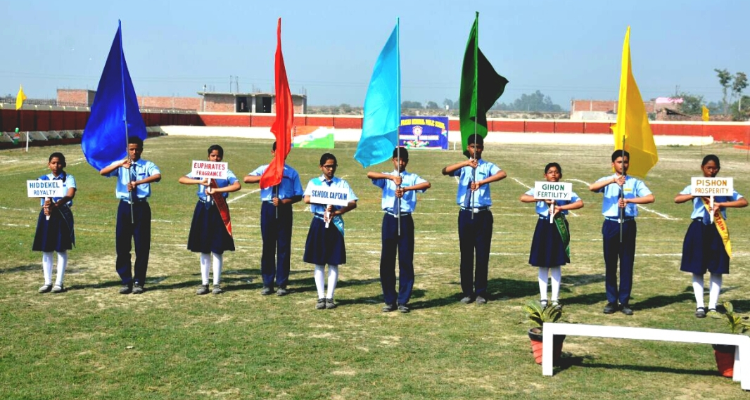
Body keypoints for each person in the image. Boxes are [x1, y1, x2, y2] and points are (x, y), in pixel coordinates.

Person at [675, 155, 747, 318]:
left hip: (717, 229)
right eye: (708, 167)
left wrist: (722, 204)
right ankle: (700, 305)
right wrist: (695, 193)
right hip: (699, 227)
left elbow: (743, 201)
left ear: (718, 169)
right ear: (702, 168)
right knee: (697, 268)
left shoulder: (724, 186)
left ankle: (713, 306)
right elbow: (677, 199)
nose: (711, 171)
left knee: (717, 268)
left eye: (715, 168)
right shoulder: (695, 185)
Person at [441, 135, 506, 305]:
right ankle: (467, 291)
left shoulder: (487, 166)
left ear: (482, 148)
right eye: (472, 146)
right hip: (465, 213)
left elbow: (502, 174)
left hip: (482, 215)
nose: (475, 150)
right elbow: (445, 170)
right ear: (468, 148)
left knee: (482, 255)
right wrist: (465, 163)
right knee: (466, 254)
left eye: (478, 147)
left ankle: (481, 292)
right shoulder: (463, 167)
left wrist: (482, 181)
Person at [589, 150, 654, 315]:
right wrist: (613, 180)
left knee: (626, 264)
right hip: (611, 225)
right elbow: (592, 187)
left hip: (628, 225)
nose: (622, 165)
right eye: (619, 162)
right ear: (613, 164)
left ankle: (624, 301)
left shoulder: (634, 182)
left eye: (625, 162)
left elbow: (650, 198)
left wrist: (630, 200)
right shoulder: (607, 180)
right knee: (610, 264)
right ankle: (611, 300)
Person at [368, 147, 431, 313]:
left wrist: (406, 189)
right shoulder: (387, 177)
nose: (400, 163)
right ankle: (389, 299)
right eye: (397, 160)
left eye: (403, 160)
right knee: (387, 261)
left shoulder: (412, 178)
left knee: (405, 260)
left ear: (407, 162)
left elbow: (426, 184)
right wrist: (391, 177)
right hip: (389, 219)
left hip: (405, 219)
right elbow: (370, 175)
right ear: (393, 161)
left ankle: (403, 300)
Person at [99, 136, 162, 295]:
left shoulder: (147, 165)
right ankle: (126, 280)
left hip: (141, 207)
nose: (134, 152)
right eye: (131, 149)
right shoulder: (122, 164)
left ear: (141, 149)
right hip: (125, 207)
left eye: (137, 149)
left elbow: (157, 176)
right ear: (127, 149)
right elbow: (103, 172)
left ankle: (139, 281)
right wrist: (120, 163)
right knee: (122, 245)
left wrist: (138, 183)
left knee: (142, 246)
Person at [179, 145, 241, 295]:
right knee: (203, 247)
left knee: (217, 248)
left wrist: (217, 190)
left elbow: (237, 185)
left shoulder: (225, 171)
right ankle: (204, 283)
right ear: (208, 156)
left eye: (218, 156)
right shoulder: (201, 170)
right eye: (213, 156)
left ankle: (217, 284)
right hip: (202, 209)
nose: (215, 158)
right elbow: (182, 179)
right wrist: (199, 182)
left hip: (219, 209)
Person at [520, 163, 583, 308]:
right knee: (542, 263)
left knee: (556, 263)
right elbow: (523, 197)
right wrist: (541, 198)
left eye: (556, 172)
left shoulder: (565, 190)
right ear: (545, 175)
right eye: (550, 172)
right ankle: (543, 298)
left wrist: (561, 207)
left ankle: (555, 299)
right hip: (543, 225)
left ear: (560, 175)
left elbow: (579, 203)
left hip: (558, 226)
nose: (553, 174)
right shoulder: (540, 189)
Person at [244, 142, 303, 296]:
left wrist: (284, 202)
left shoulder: (291, 172)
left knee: (283, 247)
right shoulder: (264, 169)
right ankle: (267, 282)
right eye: (278, 152)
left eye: (284, 152)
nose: (281, 155)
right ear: (272, 152)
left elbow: (299, 194)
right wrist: (268, 176)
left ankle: (282, 283)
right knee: (268, 246)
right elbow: (246, 178)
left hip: (284, 209)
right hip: (268, 208)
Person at [303, 153, 357, 310]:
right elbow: (307, 198)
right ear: (321, 167)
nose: (330, 169)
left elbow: (353, 202)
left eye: (333, 166)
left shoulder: (342, 184)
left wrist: (338, 211)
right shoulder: (314, 182)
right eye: (327, 166)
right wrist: (325, 200)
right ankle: (320, 297)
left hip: (335, 224)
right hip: (319, 222)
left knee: (334, 261)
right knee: (318, 261)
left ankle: (330, 297)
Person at [33, 152, 76, 293]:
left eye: (59, 163)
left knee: (61, 248)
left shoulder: (68, 178)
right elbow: (36, 191)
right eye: (53, 163)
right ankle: (47, 282)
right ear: (48, 164)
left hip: (62, 215)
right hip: (46, 215)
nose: (56, 166)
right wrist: (46, 202)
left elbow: (70, 193)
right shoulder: (43, 179)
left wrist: (57, 204)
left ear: (63, 164)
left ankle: (59, 283)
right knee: (46, 248)